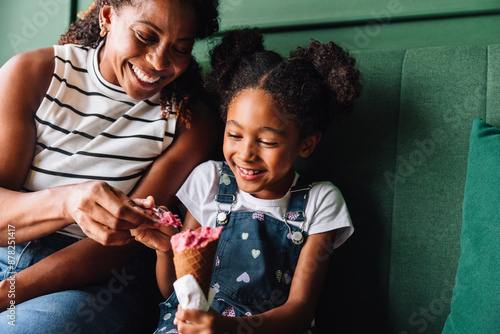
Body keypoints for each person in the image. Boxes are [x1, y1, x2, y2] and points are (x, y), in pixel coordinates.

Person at [0, 0, 219, 332]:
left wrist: (8, 293)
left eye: (180, 48)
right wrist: (69, 201)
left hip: (92, 283)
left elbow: (118, 248)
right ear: (106, 17)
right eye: (146, 35)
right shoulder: (34, 74)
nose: (158, 61)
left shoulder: (188, 123)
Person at [132, 27, 362, 333]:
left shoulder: (320, 201)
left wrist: (228, 328)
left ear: (306, 143)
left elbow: (299, 312)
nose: (245, 154)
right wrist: (164, 249)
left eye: (267, 142)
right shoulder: (209, 179)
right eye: (234, 135)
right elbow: (175, 293)